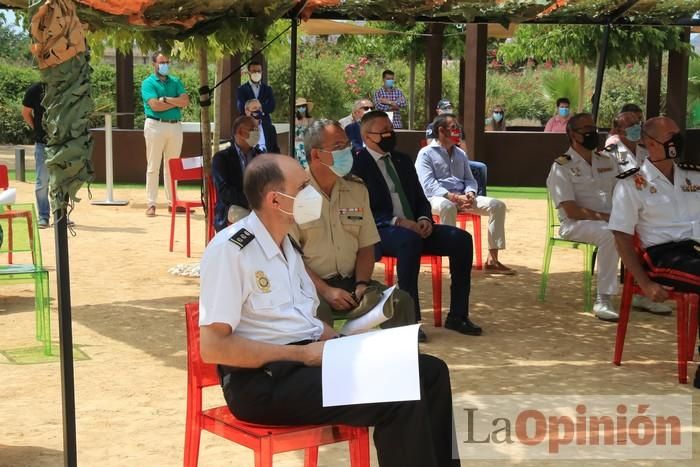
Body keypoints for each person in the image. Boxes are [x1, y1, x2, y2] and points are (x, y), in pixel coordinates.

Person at [199, 154, 461, 467]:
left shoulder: (287, 245)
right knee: (400, 394)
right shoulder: (231, 250)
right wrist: (302, 355)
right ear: (274, 200)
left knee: (430, 372)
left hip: (310, 363)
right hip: (264, 382)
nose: (312, 194)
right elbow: (214, 347)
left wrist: (344, 342)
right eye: (303, 187)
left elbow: (303, 319)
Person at [352, 110, 481, 336]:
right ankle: (410, 321)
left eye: (391, 130)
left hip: (414, 228)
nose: (390, 135)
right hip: (381, 231)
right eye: (383, 132)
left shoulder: (402, 160)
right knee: (409, 240)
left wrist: (424, 219)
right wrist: (399, 222)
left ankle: (458, 315)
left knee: (461, 239)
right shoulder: (357, 164)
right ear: (367, 136)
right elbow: (362, 211)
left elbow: (421, 198)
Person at [291, 119, 421, 339]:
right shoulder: (295, 194)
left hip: (352, 284)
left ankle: (402, 367)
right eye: (338, 147)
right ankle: (323, 370)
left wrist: (361, 283)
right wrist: (326, 290)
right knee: (316, 312)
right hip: (310, 287)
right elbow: (291, 257)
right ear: (316, 155)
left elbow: (366, 246)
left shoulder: (357, 189)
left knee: (400, 302)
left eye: (347, 145)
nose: (347, 151)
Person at [607, 116, 700, 387]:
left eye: (677, 134)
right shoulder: (631, 183)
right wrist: (644, 282)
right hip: (662, 256)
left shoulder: (693, 175)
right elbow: (621, 236)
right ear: (650, 143)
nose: (677, 140)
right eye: (670, 135)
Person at [545, 113, 621, 321]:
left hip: (611, 220)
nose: (592, 133)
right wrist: (606, 217)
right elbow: (571, 210)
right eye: (586, 129)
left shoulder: (607, 161)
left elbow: (622, 193)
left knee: (642, 227)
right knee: (611, 235)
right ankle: (603, 298)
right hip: (575, 224)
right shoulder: (562, 166)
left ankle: (644, 292)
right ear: (572, 134)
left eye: (594, 128)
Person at [416, 114, 514, 275]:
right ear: (441, 130)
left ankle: (492, 260)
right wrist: (453, 197)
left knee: (497, 205)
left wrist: (470, 193)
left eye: (458, 128)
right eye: (454, 128)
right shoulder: (425, 154)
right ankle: (453, 261)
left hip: (463, 198)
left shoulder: (460, 153)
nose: (458, 131)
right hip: (435, 199)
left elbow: (469, 179)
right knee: (447, 207)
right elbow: (428, 185)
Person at [141, 52, 190, 217]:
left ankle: (173, 202)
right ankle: (151, 203)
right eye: (162, 62)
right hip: (155, 125)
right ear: (153, 64)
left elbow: (184, 101)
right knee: (153, 166)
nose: (165, 65)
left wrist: (166, 99)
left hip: (174, 127)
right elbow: (154, 106)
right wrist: (173, 102)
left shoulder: (176, 81)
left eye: (167, 62)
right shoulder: (148, 83)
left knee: (173, 166)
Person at [426, 99, 488, 197]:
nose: (448, 109)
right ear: (438, 110)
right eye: (445, 108)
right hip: (440, 158)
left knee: (481, 167)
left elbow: (464, 148)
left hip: (458, 158)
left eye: (449, 107)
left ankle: (477, 196)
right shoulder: (432, 126)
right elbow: (430, 145)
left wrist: (461, 158)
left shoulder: (458, 128)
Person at [211, 116, 260, 231]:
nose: (257, 133)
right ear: (240, 132)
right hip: (231, 207)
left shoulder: (260, 156)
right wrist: (249, 203)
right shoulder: (222, 158)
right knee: (254, 223)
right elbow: (224, 190)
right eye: (253, 129)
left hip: (259, 207)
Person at [21, 82, 50, 228]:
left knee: (63, 181)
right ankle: (43, 216)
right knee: (42, 181)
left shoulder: (67, 86)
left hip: (64, 142)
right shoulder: (36, 89)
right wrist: (37, 129)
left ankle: (62, 216)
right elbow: (26, 112)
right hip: (43, 143)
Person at [236, 60, 275, 124]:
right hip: (248, 123)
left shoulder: (267, 89)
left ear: (262, 72)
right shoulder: (242, 89)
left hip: (265, 123)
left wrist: (254, 108)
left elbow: (271, 106)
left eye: (259, 71)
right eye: (254, 71)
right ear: (249, 72)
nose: (257, 73)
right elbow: (241, 107)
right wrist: (258, 109)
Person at [293, 97, 314, 168]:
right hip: (296, 145)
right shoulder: (294, 119)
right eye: (299, 106)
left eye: (303, 106)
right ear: (296, 108)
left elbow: (313, 133)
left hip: (307, 144)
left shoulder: (310, 119)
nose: (301, 108)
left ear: (306, 107)